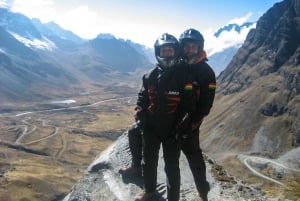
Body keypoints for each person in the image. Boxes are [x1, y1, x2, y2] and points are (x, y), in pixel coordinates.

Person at [134, 33, 186, 201]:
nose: (167, 53)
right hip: (151, 127)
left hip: (173, 129)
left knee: (172, 166)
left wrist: (181, 127)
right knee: (148, 161)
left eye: (170, 50)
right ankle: (149, 191)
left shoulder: (184, 76)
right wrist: (141, 118)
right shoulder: (149, 75)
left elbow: (189, 105)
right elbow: (142, 98)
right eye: (164, 51)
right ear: (158, 52)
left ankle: (173, 198)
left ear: (176, 52)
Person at [177, 28, 216, 201]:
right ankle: (139, 170)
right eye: (186, 47)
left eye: (193, 47)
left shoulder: (206, 72)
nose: (189, 50)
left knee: (194, 157)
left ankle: (202, 192)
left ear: (199, 48)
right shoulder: (177, 65)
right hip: (171, 117)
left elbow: (206, 103)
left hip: (190, 122)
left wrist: (194, 122)